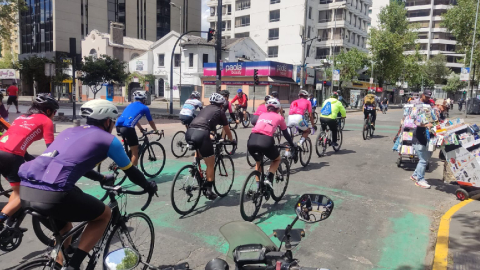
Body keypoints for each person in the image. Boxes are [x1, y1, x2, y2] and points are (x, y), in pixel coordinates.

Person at [18, 99, 158, 270]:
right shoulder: (108, 140)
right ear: (107, 121)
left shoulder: (68, 131)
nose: (112, 126)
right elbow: (131, 171)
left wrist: (100, 178)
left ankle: (59, 264)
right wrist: (148, 186)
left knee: (65, 230)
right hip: (54, 194)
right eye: (112, 122)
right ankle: (75, 266)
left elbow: (70, 162)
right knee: (104, 214)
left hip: (26, 191)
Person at [0, 94, 58, 232]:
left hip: (3, 150)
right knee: (26, 193)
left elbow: (15, 139)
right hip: (11, 156)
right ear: (49, 111)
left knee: (17, 191)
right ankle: (2, 219)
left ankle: (9, 224)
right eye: (54, 112)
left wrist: (29, 157)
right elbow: (52, 148)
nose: (54, 116)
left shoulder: (21, 118)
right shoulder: (46, 121)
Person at [186, 93, 234, 200]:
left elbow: (207, 124)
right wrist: (232, 140)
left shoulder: (205, 109)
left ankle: (195, 165)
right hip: (202, 134)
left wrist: (211, 135)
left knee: (200, 149)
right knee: (210, 163)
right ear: (221, 104)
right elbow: (226, 129)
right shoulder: (220, 111)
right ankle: (209, 190)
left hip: (189, 132)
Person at [248, 98, 295, 189]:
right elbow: (285, 133)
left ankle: (258, 187)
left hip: (252, 140)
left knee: (258, 161)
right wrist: (291, 144)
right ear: (277, 109)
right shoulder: (280, 117)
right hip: (265, 141)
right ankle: (269, 178)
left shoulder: (262, 115)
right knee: (277, 159)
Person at [115, 90, 159, 166]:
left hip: (118, 126)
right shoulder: (145, 108)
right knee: (135, 151)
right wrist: (156, 130)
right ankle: (134, 174)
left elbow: (134, 119)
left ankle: (125, 158)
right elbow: (151, 122)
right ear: (144, 100)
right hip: (128, 128)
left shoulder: (130, 105)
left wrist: (141, 129)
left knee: (131, 146)